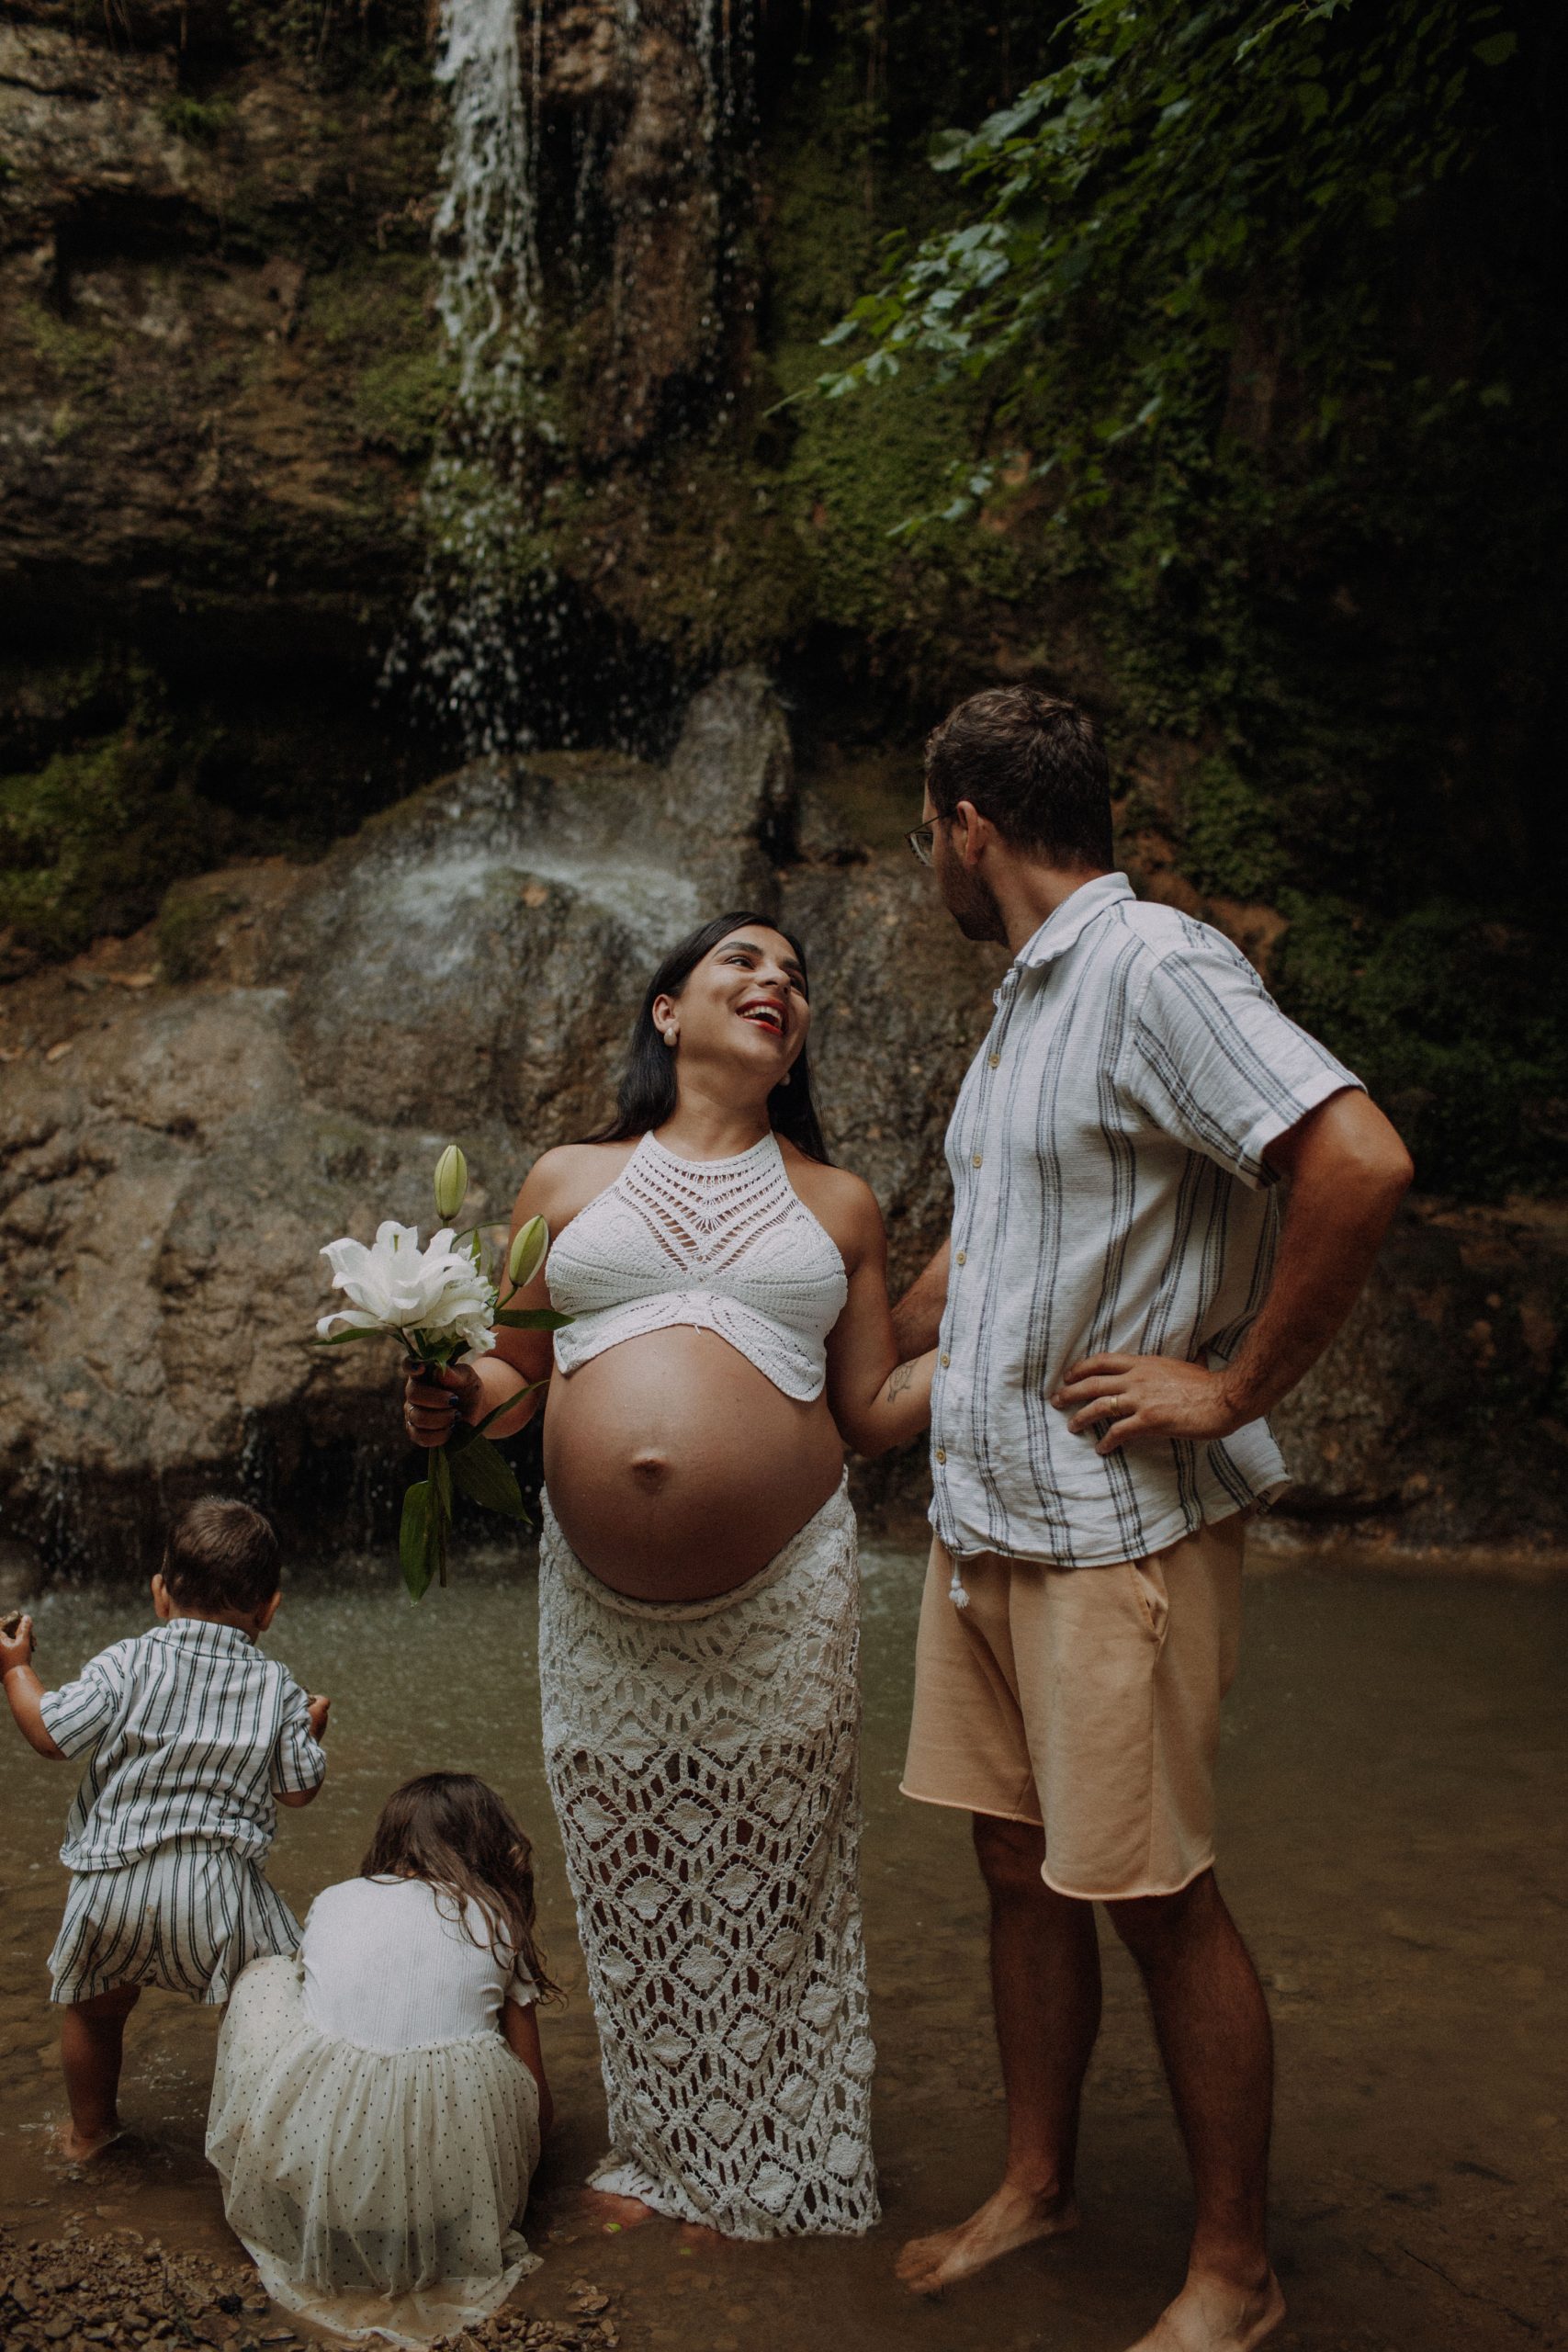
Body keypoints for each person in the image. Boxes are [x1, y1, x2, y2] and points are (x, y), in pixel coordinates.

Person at [890, 687, 1414, 2352]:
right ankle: (1039, 2182)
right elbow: (990, 1253)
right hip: (985, 1518)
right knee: (1013, 1865)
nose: (928, 860)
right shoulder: (1024, 1004)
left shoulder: (1152, 967)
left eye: (927, 834)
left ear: (968, 825)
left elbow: (1357, 1158)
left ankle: (1233, 2274)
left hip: (1115, 1527)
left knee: (1156, 1893)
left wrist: (1234, 1386)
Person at [402, 911, 936, 2240]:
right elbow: (515, 1380)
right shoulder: (566, 1181)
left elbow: (869, 1413)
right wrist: (443, 1392)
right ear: (665, 1011)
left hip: (783, 1595)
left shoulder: (836, 1201)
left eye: (795, 978)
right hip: (598, 1607)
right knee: (626, 1860)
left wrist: (994, 1312)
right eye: (742, 964)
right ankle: (661, 2145)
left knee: (776, 1872)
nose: (775, 985)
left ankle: (773, 2155)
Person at [0, 1497, 329, 2163]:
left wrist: (16, 1668)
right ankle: (262, 2145)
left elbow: (51, 1734)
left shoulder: (127, 1662)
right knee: (277, 2000)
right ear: (269, 1609)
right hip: (216, 1896)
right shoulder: (277, 1688)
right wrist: (309, 1732)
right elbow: (297, 1791)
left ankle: (88, 2137)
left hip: (112, 1886)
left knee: (94, 2011)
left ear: (159, 1595)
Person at [207, 1772, 554, 2346]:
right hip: (453, 2196)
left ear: (392, 1840)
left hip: (326, 2190)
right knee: (478, 2055)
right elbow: (540, 2106)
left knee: (265, 1979)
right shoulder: (497, 1920)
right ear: (488, 1844)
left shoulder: (337, 1898)